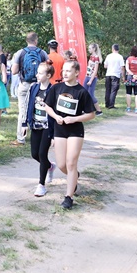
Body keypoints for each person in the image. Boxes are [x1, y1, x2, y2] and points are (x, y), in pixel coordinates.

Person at [44, 60, 96, 209]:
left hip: (75, 131)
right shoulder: (56, 88)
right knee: (62, 164)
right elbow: (47, 106)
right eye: (63, 70)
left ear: (76, 72)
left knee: (71, 163)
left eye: (68, 71)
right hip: (60, 129)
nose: (65, 73)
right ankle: (74, 177)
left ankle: (68, 197)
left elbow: (91, 114)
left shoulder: (82, 92)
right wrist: (56, 117)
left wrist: (74, 119)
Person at [11, 32, 48, 146]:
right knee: (39, 109)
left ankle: (20, 138)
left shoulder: (20, 53)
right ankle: (39, 134)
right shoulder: (42, 53)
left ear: (26, 40)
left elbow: (14, 71)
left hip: (25, 85)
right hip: (39, 86)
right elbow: (48, 68)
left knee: (23, 110)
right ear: (36, 40)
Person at [26, 62, 56, 197]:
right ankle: (49, 166)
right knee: (35, 154)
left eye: (40, 73)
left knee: (42, 154)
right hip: (35, 125)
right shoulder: (34, 87)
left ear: (48, 75)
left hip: (47, 127)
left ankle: (41, 185)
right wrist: (25, 124)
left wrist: (54, 135)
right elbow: (28, 105)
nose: (37, 75)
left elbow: (56, 112)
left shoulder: (53, 90)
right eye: (37, 72)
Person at [82, 43, 103, 116]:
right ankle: (85, 109)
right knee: (84, 92)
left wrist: (91, 80)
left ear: (94, 49)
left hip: (92, 77)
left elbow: (95, 70)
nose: (89, 50)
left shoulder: (96, 58)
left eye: (90, 48)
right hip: (87, 76)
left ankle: (99, 110)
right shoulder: (91, 57)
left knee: (91, 94)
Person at [103, 44, 125, 109]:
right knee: (113, 90)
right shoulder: (120, 57)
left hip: (108, 74)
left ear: (112, 49)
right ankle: (111, 105)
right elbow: (122, 67)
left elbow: (105, 66)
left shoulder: (109, 56)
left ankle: (107, 104)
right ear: (118, 49)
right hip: (116, 75)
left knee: (108, 90)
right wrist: (123, 76)